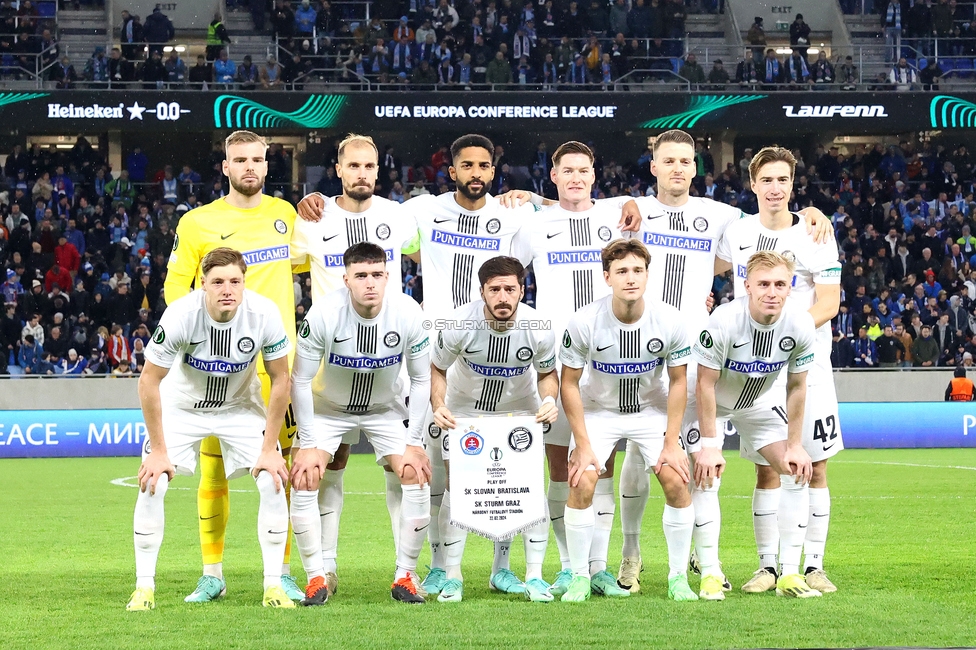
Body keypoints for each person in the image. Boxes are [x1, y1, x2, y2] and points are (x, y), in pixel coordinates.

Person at [164, 131, 304, 603]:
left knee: (277, 471)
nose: (249, 167)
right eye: (239, 159)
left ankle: (281, 572)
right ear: (225, 167)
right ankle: (212, 573)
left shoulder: (287, 215)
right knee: (212, 472)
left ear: (267, 166)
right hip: (217, 371)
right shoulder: (197, 222)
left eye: (257, 160)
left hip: (276, 368)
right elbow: (174, 290)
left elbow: (317, 265)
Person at [126, 247, 294, 611]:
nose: (227, 289)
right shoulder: (181, 315)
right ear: (203, 285)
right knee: (153, 482)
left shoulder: (264, 313)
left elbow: (282, 378)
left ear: (244, 283)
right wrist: (158, 450)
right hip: (182, 406)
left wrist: (269, 448)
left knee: (273, 479)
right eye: (218, 282)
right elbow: (148, 381)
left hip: (240, 407)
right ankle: (144, 589)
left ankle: (273, 587)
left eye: (235, 281)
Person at [289, 134, 419, 596]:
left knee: (400, 469)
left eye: (370, 166)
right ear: (339, 170)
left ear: (378, 170)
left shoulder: (399, 217)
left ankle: (409, 569)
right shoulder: (311, 219)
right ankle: (325, 568)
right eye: (354, 166)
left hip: (388, 365)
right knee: (330, 464)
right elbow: (281, 271)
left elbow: (440, 251)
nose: (362, 173)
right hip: (331, 365)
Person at [715, 146, 842, 595]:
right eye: (766, 180)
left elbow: (829, 301)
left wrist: (792, 332)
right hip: (752, 369)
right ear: (752, 184)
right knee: (767, 470)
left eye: (782, 180)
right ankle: (768, 567)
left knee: (816, 466)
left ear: (793, 184)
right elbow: (702, 271)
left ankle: (814, 566)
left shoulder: (816, 233)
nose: (774, 188)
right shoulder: (736, 233)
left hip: (808, 366)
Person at [560, 238, 694, 602]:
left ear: (648, 275)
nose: (630, 278)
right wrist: (584, 445)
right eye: (621, 271)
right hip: (598, 412)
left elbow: (679, 381)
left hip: (650, 411)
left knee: (678, 482)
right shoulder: (585, 321)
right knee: (582, 483)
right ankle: (578, 576)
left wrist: (671, 442)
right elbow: (568, 384)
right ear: (607, 277)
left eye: (638, 270)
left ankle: (678, 578)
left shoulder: (670, 320)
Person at [430, 256, 558, 602]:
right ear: (482, 291)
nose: (503, 297)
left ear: (522, 289)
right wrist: (438, 405)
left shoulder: (539, 326)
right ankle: (450, 574)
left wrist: (549, 401)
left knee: (520, 490)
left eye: (510, 289)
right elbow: (437, 368)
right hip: (464, 411)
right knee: (457, 486)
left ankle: (513, 572)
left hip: (519, 412)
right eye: (495, 290)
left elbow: (547, 375)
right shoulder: (458, 323)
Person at [694, 251, 821, 599]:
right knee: (705, 476)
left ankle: (790, 575)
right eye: (763, 284)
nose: (772, 292)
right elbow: (704, 383)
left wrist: (794, 444)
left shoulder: (799, 324)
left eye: (780, 284)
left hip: (759, 403)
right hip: (711, 404)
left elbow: (797, 386)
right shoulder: (724, 320)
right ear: (747, 287)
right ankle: (710, 573)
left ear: (790, 287)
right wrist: (709, 444)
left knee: (796, 469)